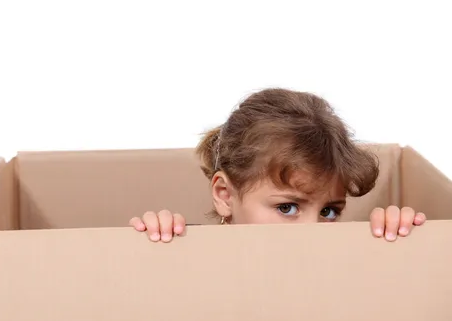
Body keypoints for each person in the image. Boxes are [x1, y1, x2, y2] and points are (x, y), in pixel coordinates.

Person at [129, 88, 426, 242]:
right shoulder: (190, 253)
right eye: (288, 208)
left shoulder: (332, 264)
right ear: (224, 195)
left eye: (328, 211)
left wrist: (391, 240)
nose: (314, 230)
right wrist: (157, 242)